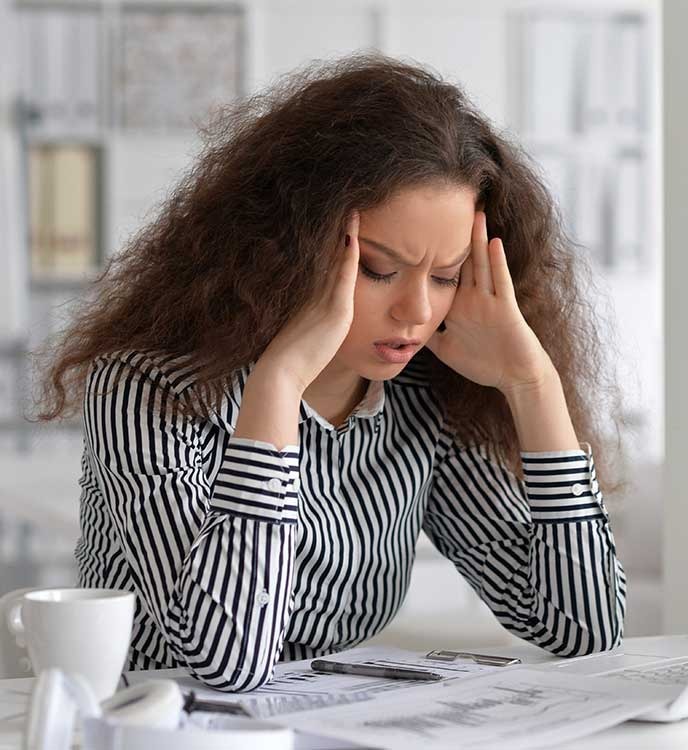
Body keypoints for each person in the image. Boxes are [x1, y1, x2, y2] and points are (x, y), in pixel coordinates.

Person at [34, 53, 628, 692]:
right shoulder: (148, 391)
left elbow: (582, 628)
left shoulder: (420, 399)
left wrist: (532, 385)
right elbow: (227, 661)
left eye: (446, 277)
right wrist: (279, 383)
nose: (416, 310)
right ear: (287, 250)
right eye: (378, 270)